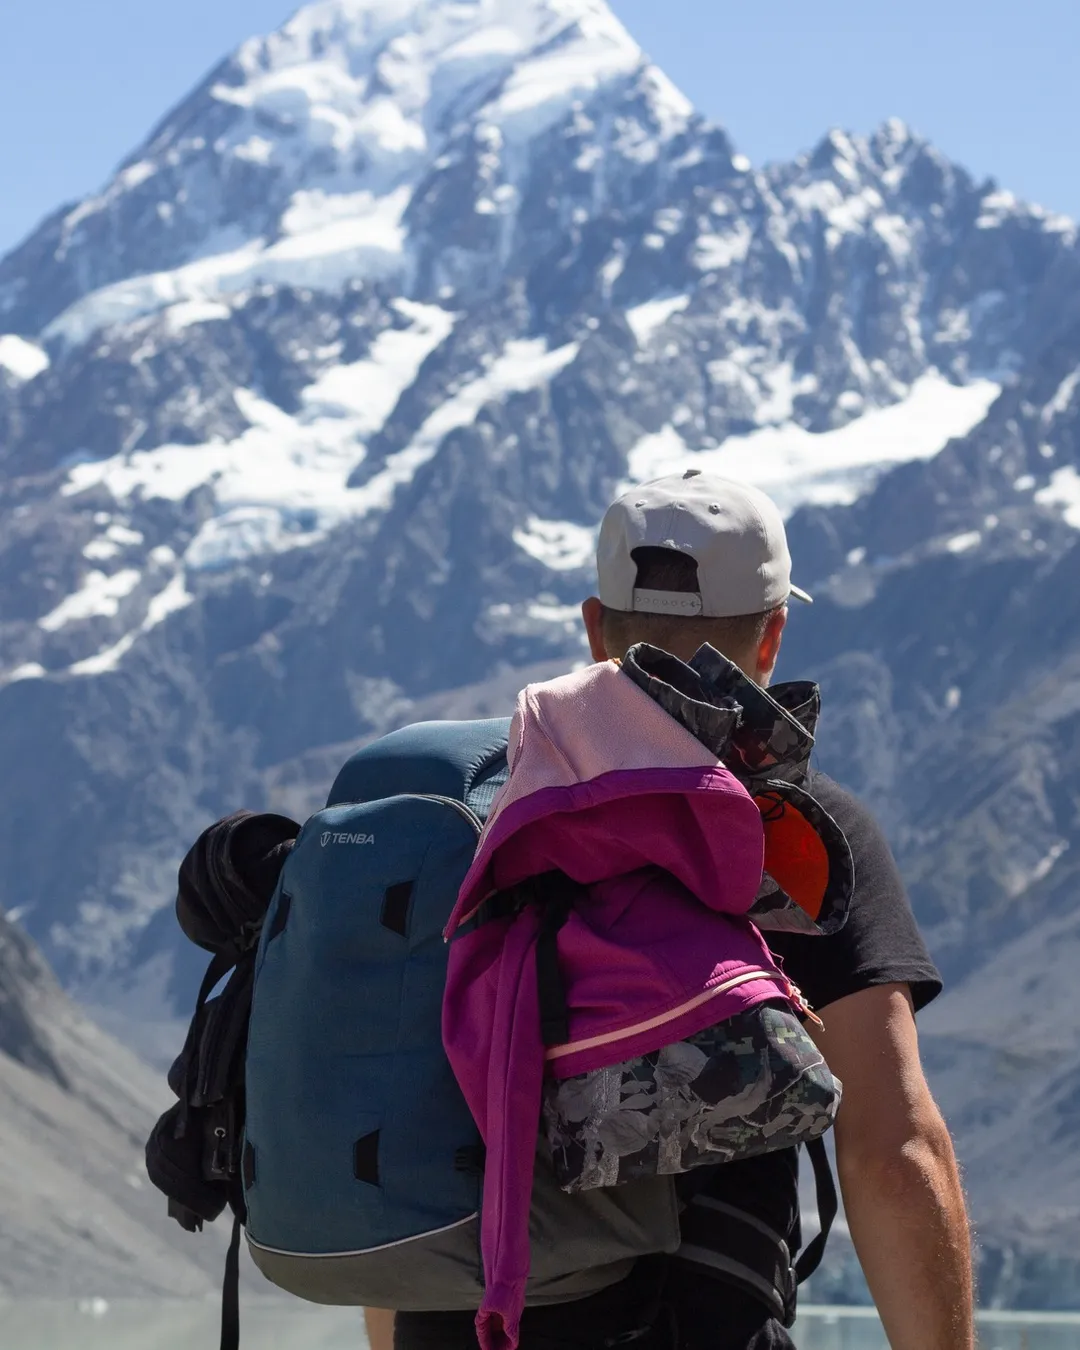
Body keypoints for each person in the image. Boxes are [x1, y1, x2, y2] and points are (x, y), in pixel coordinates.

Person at [371, 471, 973, 1350]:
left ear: (593, 627)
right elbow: (893, 1153)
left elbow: (406, 1127)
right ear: (773, 635)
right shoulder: (795, 832)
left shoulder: (478, 818)